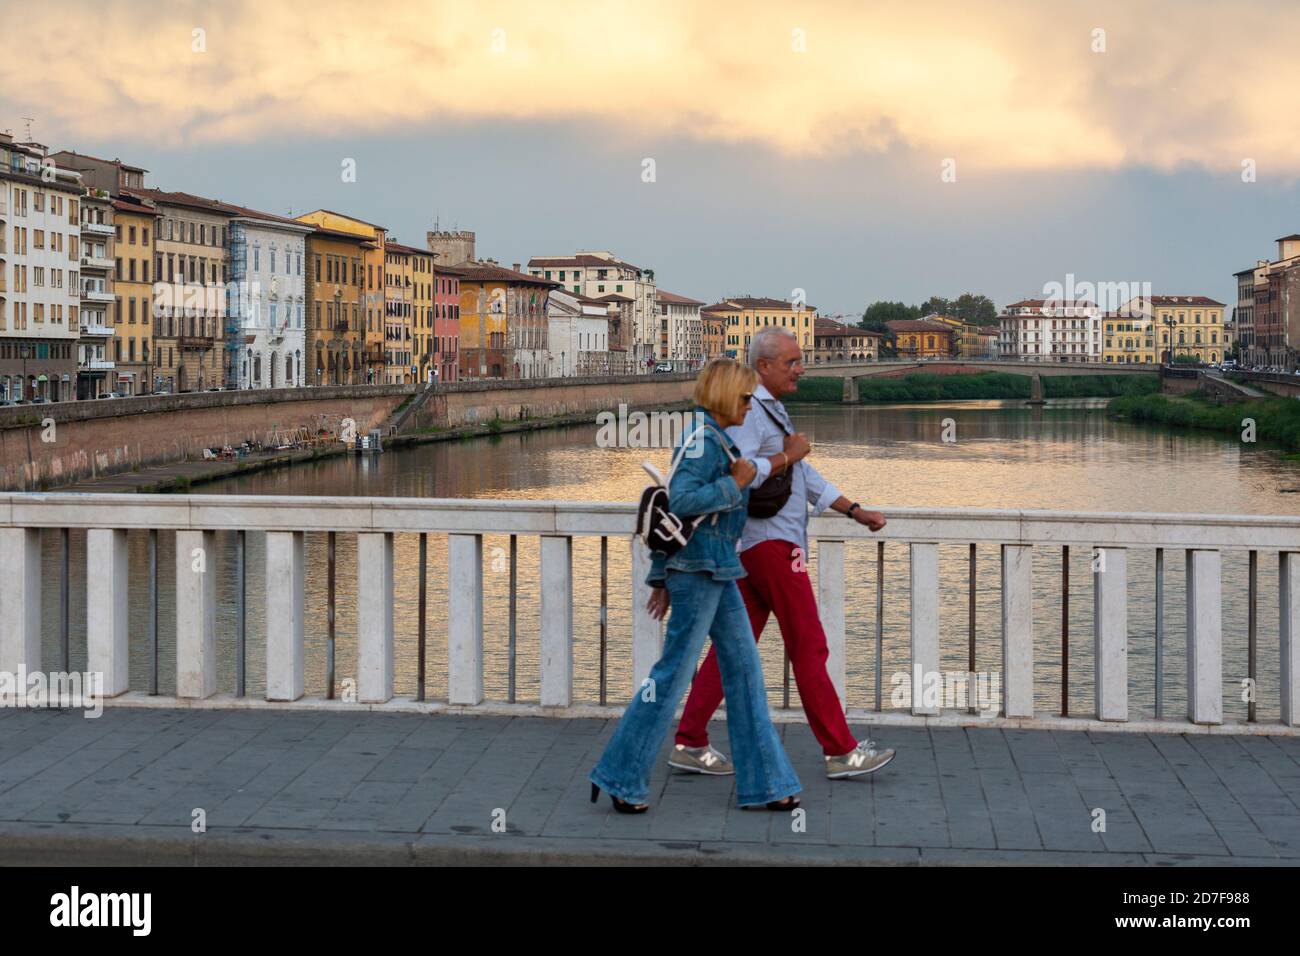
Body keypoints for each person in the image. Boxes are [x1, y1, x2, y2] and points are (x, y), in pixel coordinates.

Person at [667, 326, 897, 780]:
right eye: (792, 362)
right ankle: (841, 751)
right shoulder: (750, 412)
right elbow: (744, 474)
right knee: (808, 644)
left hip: (752, 547)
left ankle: (690, 740)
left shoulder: (767, 409)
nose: (801, 368)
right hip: (771, 544)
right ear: (764, 366)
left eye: (799, 361)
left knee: (731, 649)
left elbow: (802, 472)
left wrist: (853, 509)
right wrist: (789, 456)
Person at [589, 359, 802, 813]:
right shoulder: (705, 443)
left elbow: (673, 515)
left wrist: (660, 575)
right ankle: (621, 777)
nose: (749, 406)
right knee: (671, 678)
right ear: (727, 395)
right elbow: (680, 502)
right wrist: (734, 483)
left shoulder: (713, 438)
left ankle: (767, 784)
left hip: (720, 570)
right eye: (745, 398)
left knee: (745, 677)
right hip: (701, 574)